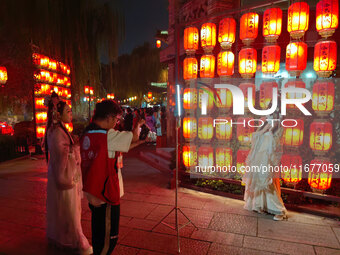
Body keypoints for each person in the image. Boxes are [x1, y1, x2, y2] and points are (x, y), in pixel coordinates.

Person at [80, 100, 145, 255]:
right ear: (108, 117)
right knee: (108, 241)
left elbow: (122, 146)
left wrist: (142, 141)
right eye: (116, 120)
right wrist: (138, 124)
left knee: (98, 235)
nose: (116, 123)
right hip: (106, 194)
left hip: (93, 191)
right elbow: (134, 137)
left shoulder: (88, 133)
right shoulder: (107, 135)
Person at [45, 100, 92, 254]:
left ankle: (66, 236)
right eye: (68, 111)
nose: (71, 113)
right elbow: (62, 154)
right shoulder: (58, 132)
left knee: (66, 208)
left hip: (65, 174)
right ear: (58, 115)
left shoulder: (59, 130)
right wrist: (74, 147)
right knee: (70, 209)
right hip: (65, 175)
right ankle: (78, 240)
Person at [242, 115, 287, 221]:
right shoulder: (266, 120)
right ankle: (260, 205)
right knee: (258, 181)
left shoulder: (279, 124)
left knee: (267, 182)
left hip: (267, 157)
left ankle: (279, 210)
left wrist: (270, 130)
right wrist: (265, 129)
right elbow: (255, 136)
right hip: (259, 155)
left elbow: (276, 144)